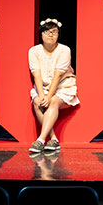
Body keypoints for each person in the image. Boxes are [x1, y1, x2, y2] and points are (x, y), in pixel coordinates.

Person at [28, 19, 79, 153]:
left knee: (53, 102)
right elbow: (36, 75)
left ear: (58, 34)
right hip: (43, 87)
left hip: (63, 86)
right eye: (47, 32)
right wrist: (41, 95)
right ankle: (53, 139)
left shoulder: (64, 50)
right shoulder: (34, 51)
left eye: (54, 32)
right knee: (37, 102)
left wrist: (49, 96)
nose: (50, 35)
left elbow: (57, 76)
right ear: (41, 34)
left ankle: (40, 140)